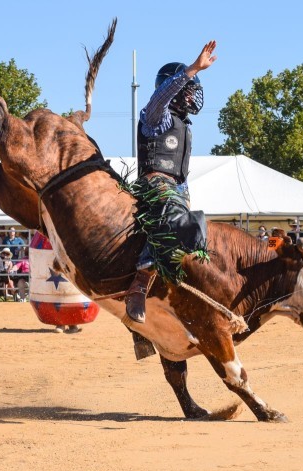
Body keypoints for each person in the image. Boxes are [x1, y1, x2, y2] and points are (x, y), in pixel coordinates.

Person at [124, 40, 218, 324]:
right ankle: (140, 279)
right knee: (182, 222)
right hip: (156, 185)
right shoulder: (157, 117)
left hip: (177, 189)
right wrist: (191, 69)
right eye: (189, 92)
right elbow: (160, 97)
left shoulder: (183, 124)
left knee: (197, 236)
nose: (193, 98)